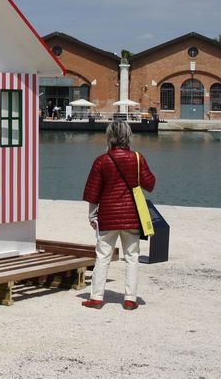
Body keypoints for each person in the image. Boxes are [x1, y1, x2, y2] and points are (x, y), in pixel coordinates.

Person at [81, 120, 156, 310]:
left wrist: (92, 216)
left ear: (109, 137)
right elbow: (150, 184)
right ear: (128, 136)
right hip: (132, 217)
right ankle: (130, 299)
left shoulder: (102, 160)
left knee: (103, 256)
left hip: (108, 217)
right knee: (132, 257)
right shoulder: (138, 158)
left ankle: (96, 298)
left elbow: (93, 193)